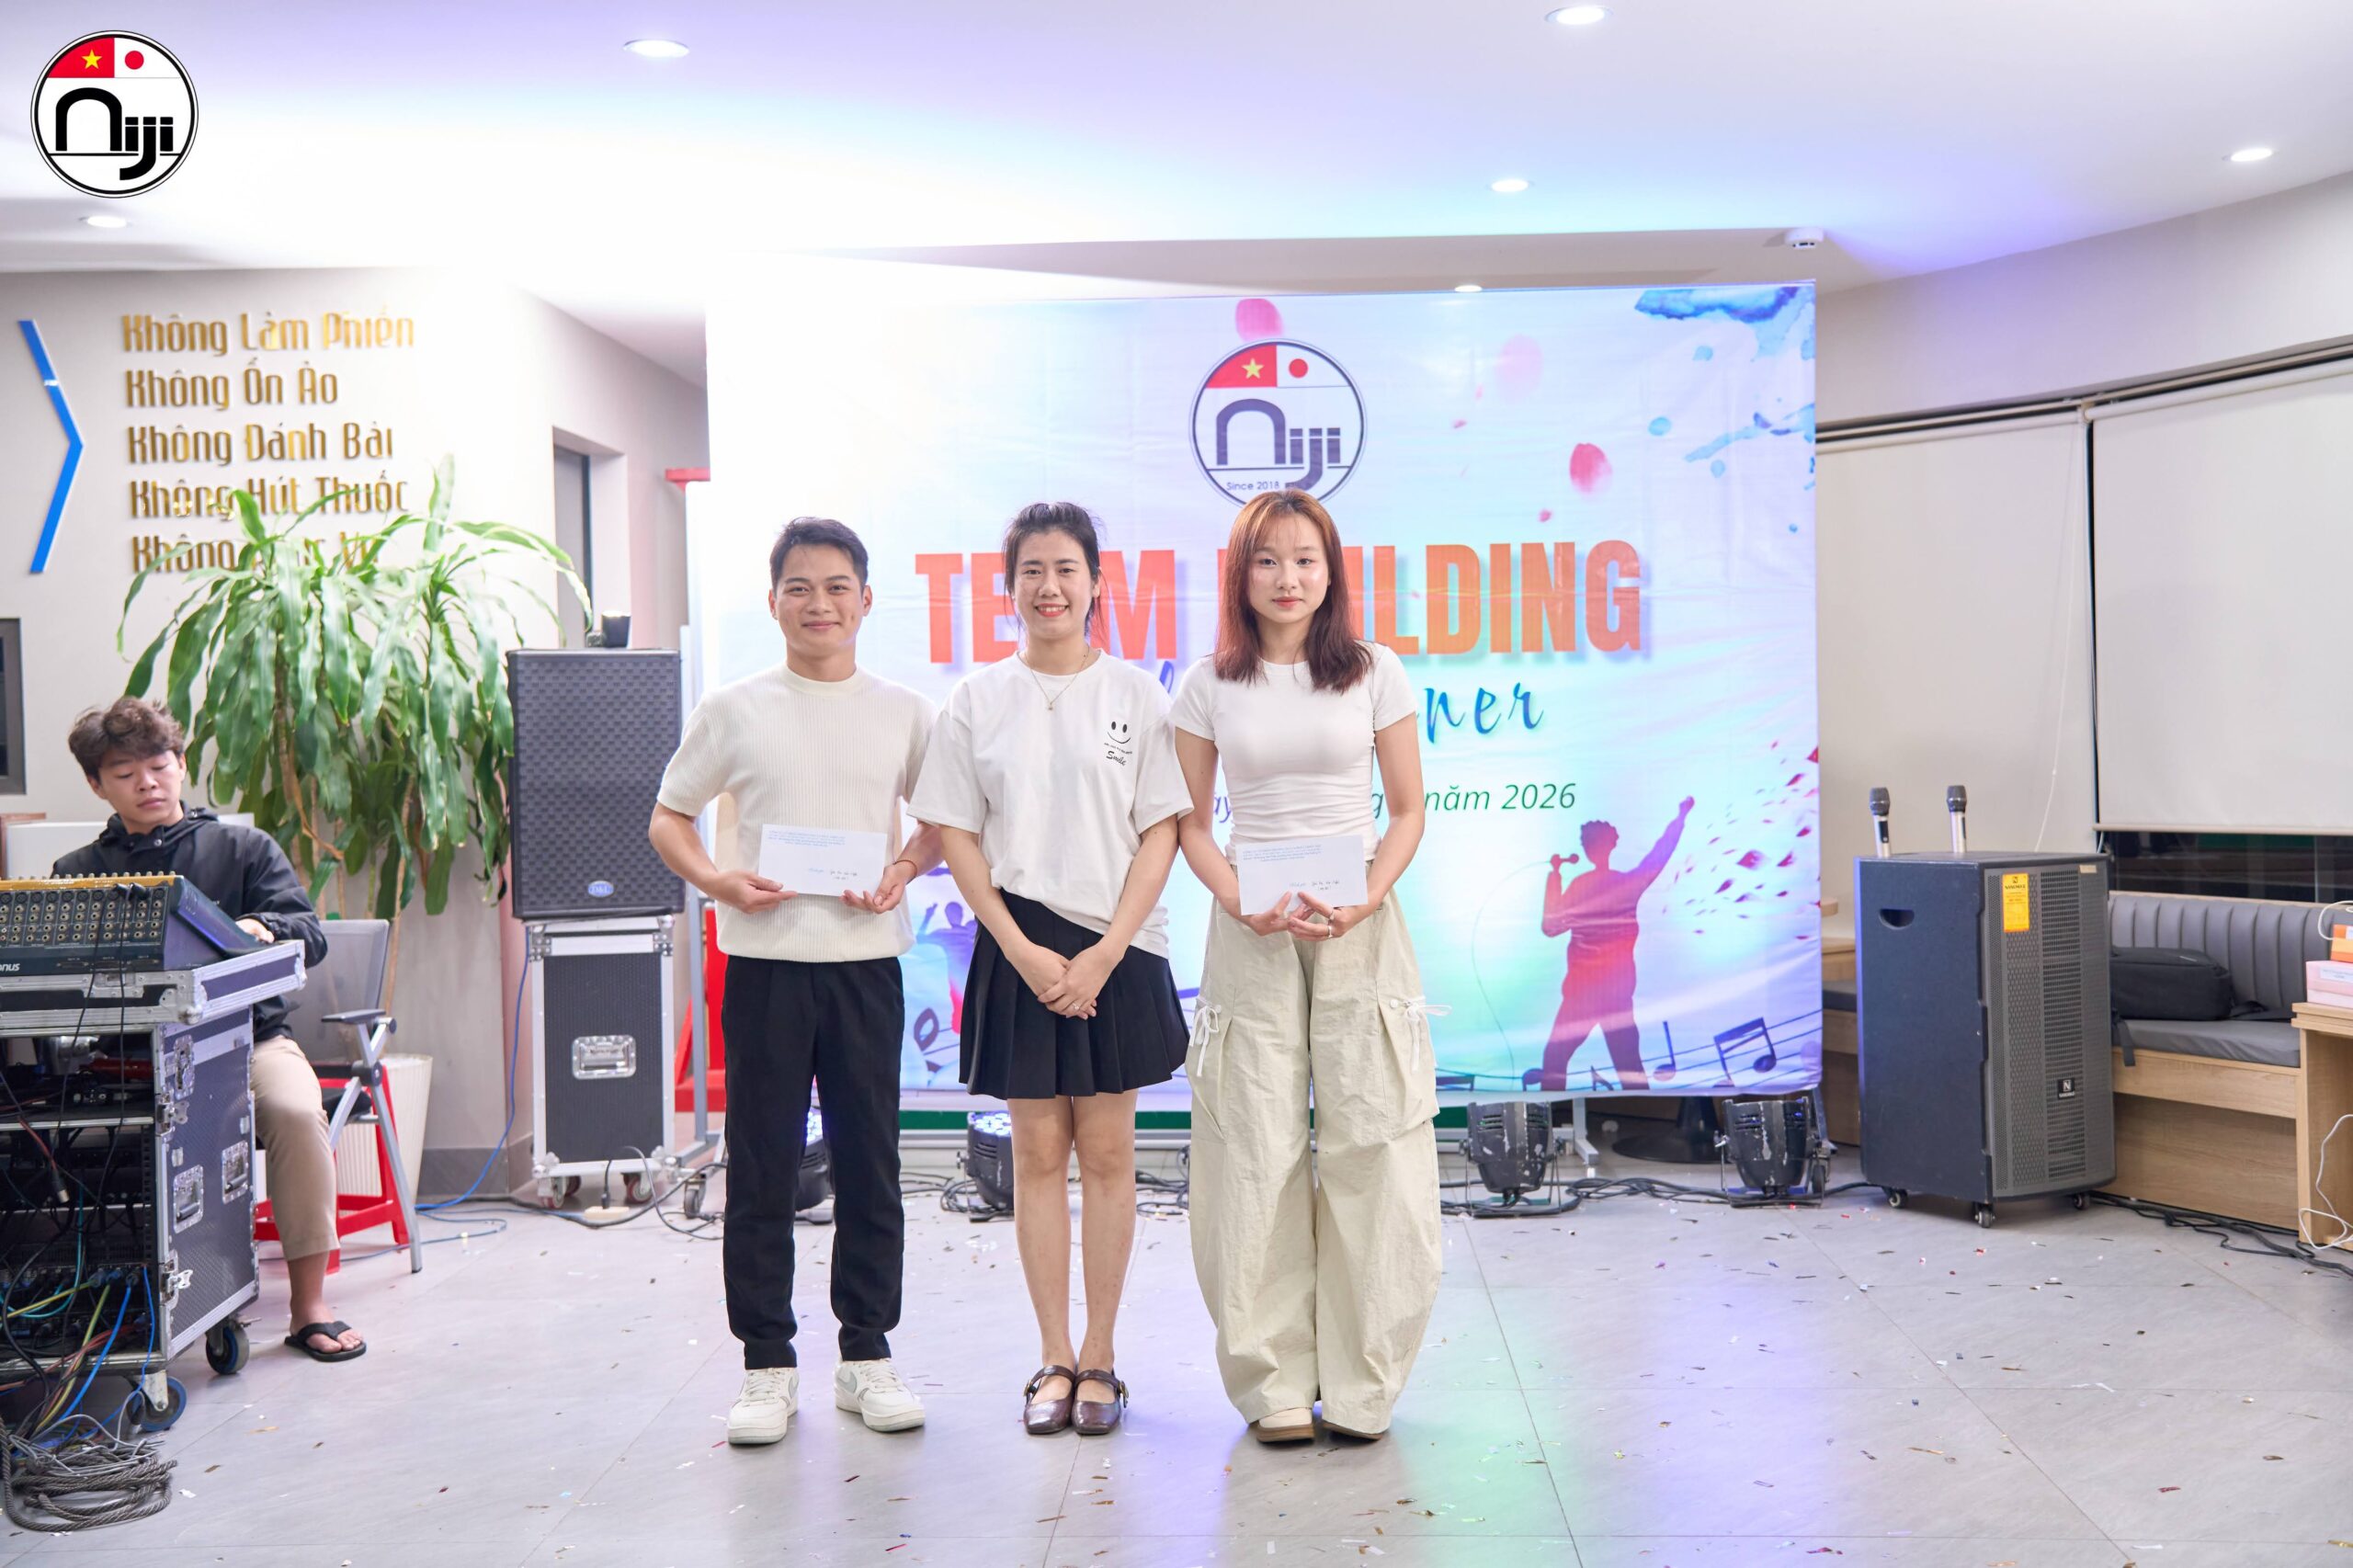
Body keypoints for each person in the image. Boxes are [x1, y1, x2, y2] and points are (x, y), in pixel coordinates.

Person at [648, 516, 944, 1446]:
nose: (820, 604)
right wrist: (717, 881)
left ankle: (867, 1353)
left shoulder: (904, 710)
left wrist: (904, 867)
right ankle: (766, 1363)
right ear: (773, 601)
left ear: (866, 599)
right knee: (763, 1166)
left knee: (871, 1166)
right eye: (800, 588)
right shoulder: (735, 708)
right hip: (766, 966)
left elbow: (942, 820)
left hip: (864, 965)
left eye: (837, 586)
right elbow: (669, 817)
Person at [910, 502, 1192, 1438]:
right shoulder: (976, 699)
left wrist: (1106, 950)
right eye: (1031, 569)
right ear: (1009, 586)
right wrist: (1018, 946)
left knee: (1109, 1156)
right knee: (1036, 1156)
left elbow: (1162, 830)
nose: (1049, 586)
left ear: (1097, 582)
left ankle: (1101, 1357)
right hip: (1018, 945)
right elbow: (956, 830)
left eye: (1066, 568)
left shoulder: (1138, 695)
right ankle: (1052, 1357)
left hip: (1117, 946)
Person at [1170, 488, 1440, 1444]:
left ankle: (1366, 1383)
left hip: (1357, 919)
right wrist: (1236, 896)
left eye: (1305, 559)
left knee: (1377, 1137)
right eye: (1267, 559)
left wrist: (1366, 893)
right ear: (1239, 575)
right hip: (1252, 925)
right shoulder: (1206, 683)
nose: (1287, 578)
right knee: (1251, 1147)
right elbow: (1190, 824)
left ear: (1331, 572)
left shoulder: (1373, 670)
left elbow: (1406, 809)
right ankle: (1272, 1380)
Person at [54, 699, 360, 1363]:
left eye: (159, 765)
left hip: (250, 1042)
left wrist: (264, 927)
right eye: (125, 773)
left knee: (295, 1112)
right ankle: (95, 1298)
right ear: (97, 785)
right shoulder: (77, 872)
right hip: (131, 1057)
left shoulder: (243, 848)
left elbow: (308, 934)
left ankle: (309, 1305)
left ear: (181, 764)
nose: (148, 783)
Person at [1540, 800, 1693, 1092]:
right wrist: (1680, 819)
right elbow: (1658, 856)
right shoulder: (1622, 884)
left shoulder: (1582, 886)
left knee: (1557, 1059)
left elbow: (1551, 926)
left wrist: (1555, 877)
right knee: (1629, 1067)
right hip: (1609, 995)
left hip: (1586, 995)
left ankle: (1545, 1124)